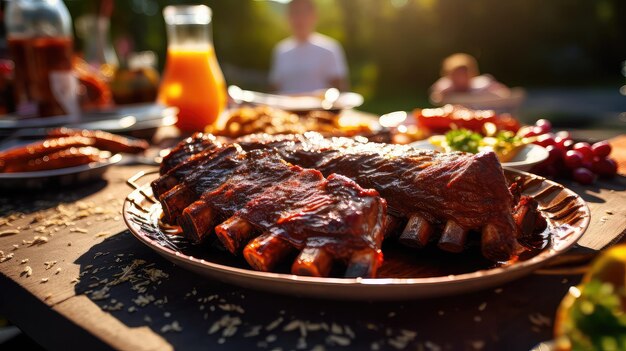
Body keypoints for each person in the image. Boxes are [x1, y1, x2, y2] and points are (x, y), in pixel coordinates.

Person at [269, 0, 348, 94]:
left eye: (304, 12)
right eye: (294, 12)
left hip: (320, 108)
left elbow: (340, 89)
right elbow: (274, 88)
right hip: (282, 108)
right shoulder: (280, 50)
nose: (299, 18)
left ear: (314, 16)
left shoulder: (329, 48)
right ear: (287, 17)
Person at [429, 53, 511, 105]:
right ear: (448, 75)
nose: (460, 79)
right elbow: (435, 99)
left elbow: (505, 95)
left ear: (472, 74)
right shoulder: (444, 86)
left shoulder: (483, 84)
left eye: (463, 74)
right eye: (456, 75)